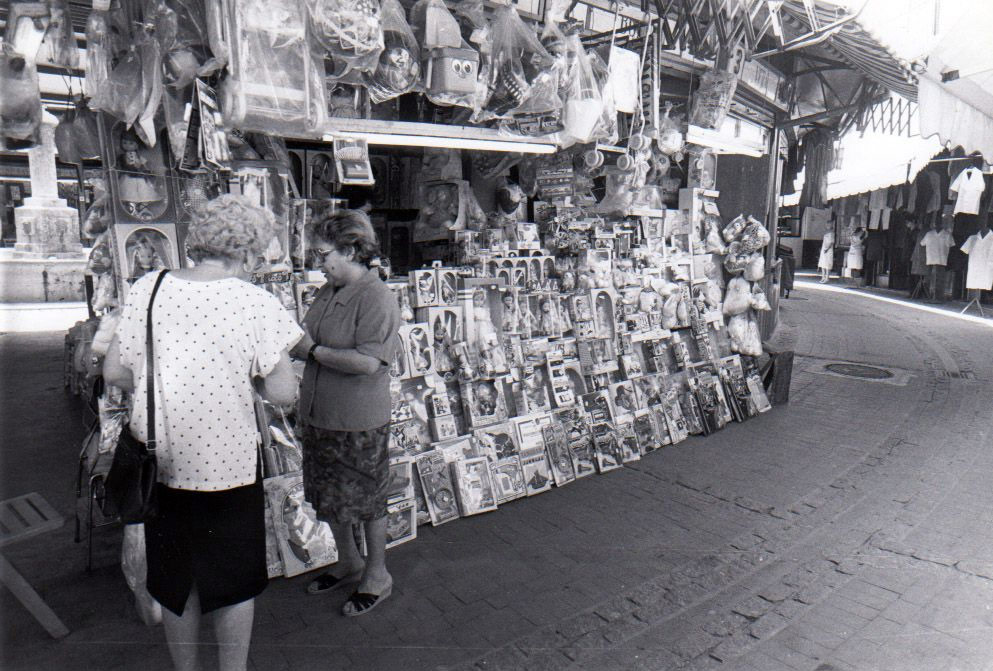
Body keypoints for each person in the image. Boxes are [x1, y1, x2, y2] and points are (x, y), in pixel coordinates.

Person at [102, 194, 302, 671]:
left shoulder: (149, 288)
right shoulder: (256, 302)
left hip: (160, 464)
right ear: (248, 251)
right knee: (232, 585)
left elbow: (115, 371)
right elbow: (283, 392)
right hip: (228, 466)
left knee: (176, 582)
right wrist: (242, 378)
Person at [291, 209, 401, 616]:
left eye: (324, 254)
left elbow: (369, 362)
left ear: (351, 250)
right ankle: (349, 561)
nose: (318, 263)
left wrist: (314, 352)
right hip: (320, 412)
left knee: (366, 499)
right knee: (329, 495)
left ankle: (378, 574)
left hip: (357, 418)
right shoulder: (329, 289)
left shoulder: (376, 296)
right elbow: (305, 335)